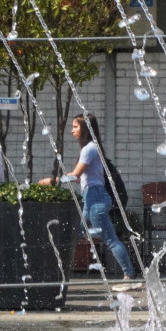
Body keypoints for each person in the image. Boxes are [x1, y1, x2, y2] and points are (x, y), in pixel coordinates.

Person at [39, 113, 136, 282]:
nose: (72, 131)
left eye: (75, 127)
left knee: (111, 239)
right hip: (90, 199)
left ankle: (129, 275)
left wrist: (52, 181)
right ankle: (55, 272)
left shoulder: (90, 148)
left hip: (96, 199)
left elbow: (76, 174)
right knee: (74, 234)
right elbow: (79, 178)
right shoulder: (89, 148)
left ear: (85, 128)